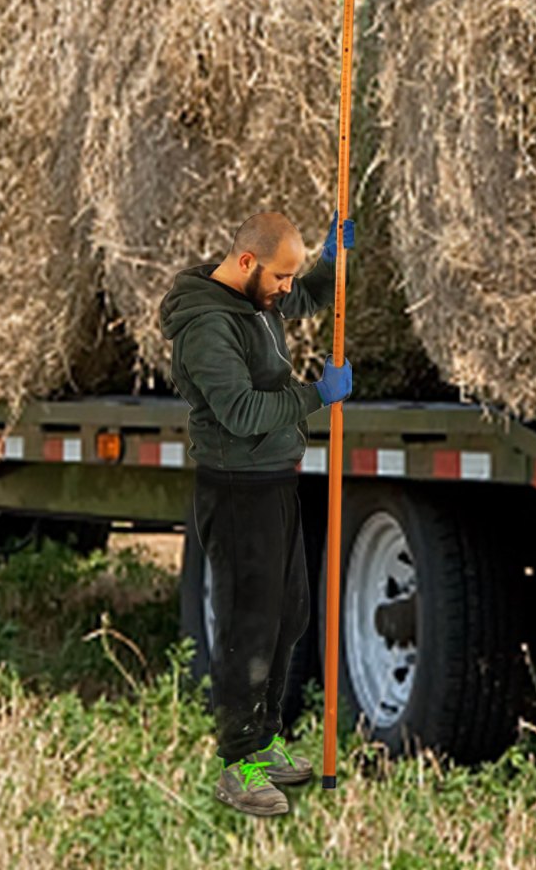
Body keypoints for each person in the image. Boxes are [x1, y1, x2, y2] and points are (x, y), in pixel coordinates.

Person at [161, 208, 356, 817]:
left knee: (288, 615)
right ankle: (236, 763)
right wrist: (314, 397)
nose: (287, 292)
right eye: (280, 278)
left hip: (274, 480)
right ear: (247, 263)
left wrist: (332, 257)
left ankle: (265, 739)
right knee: (248, 627)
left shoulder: (255, 300)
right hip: (237, 488)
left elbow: (309, 298)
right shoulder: (207, 327)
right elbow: (242, 412)